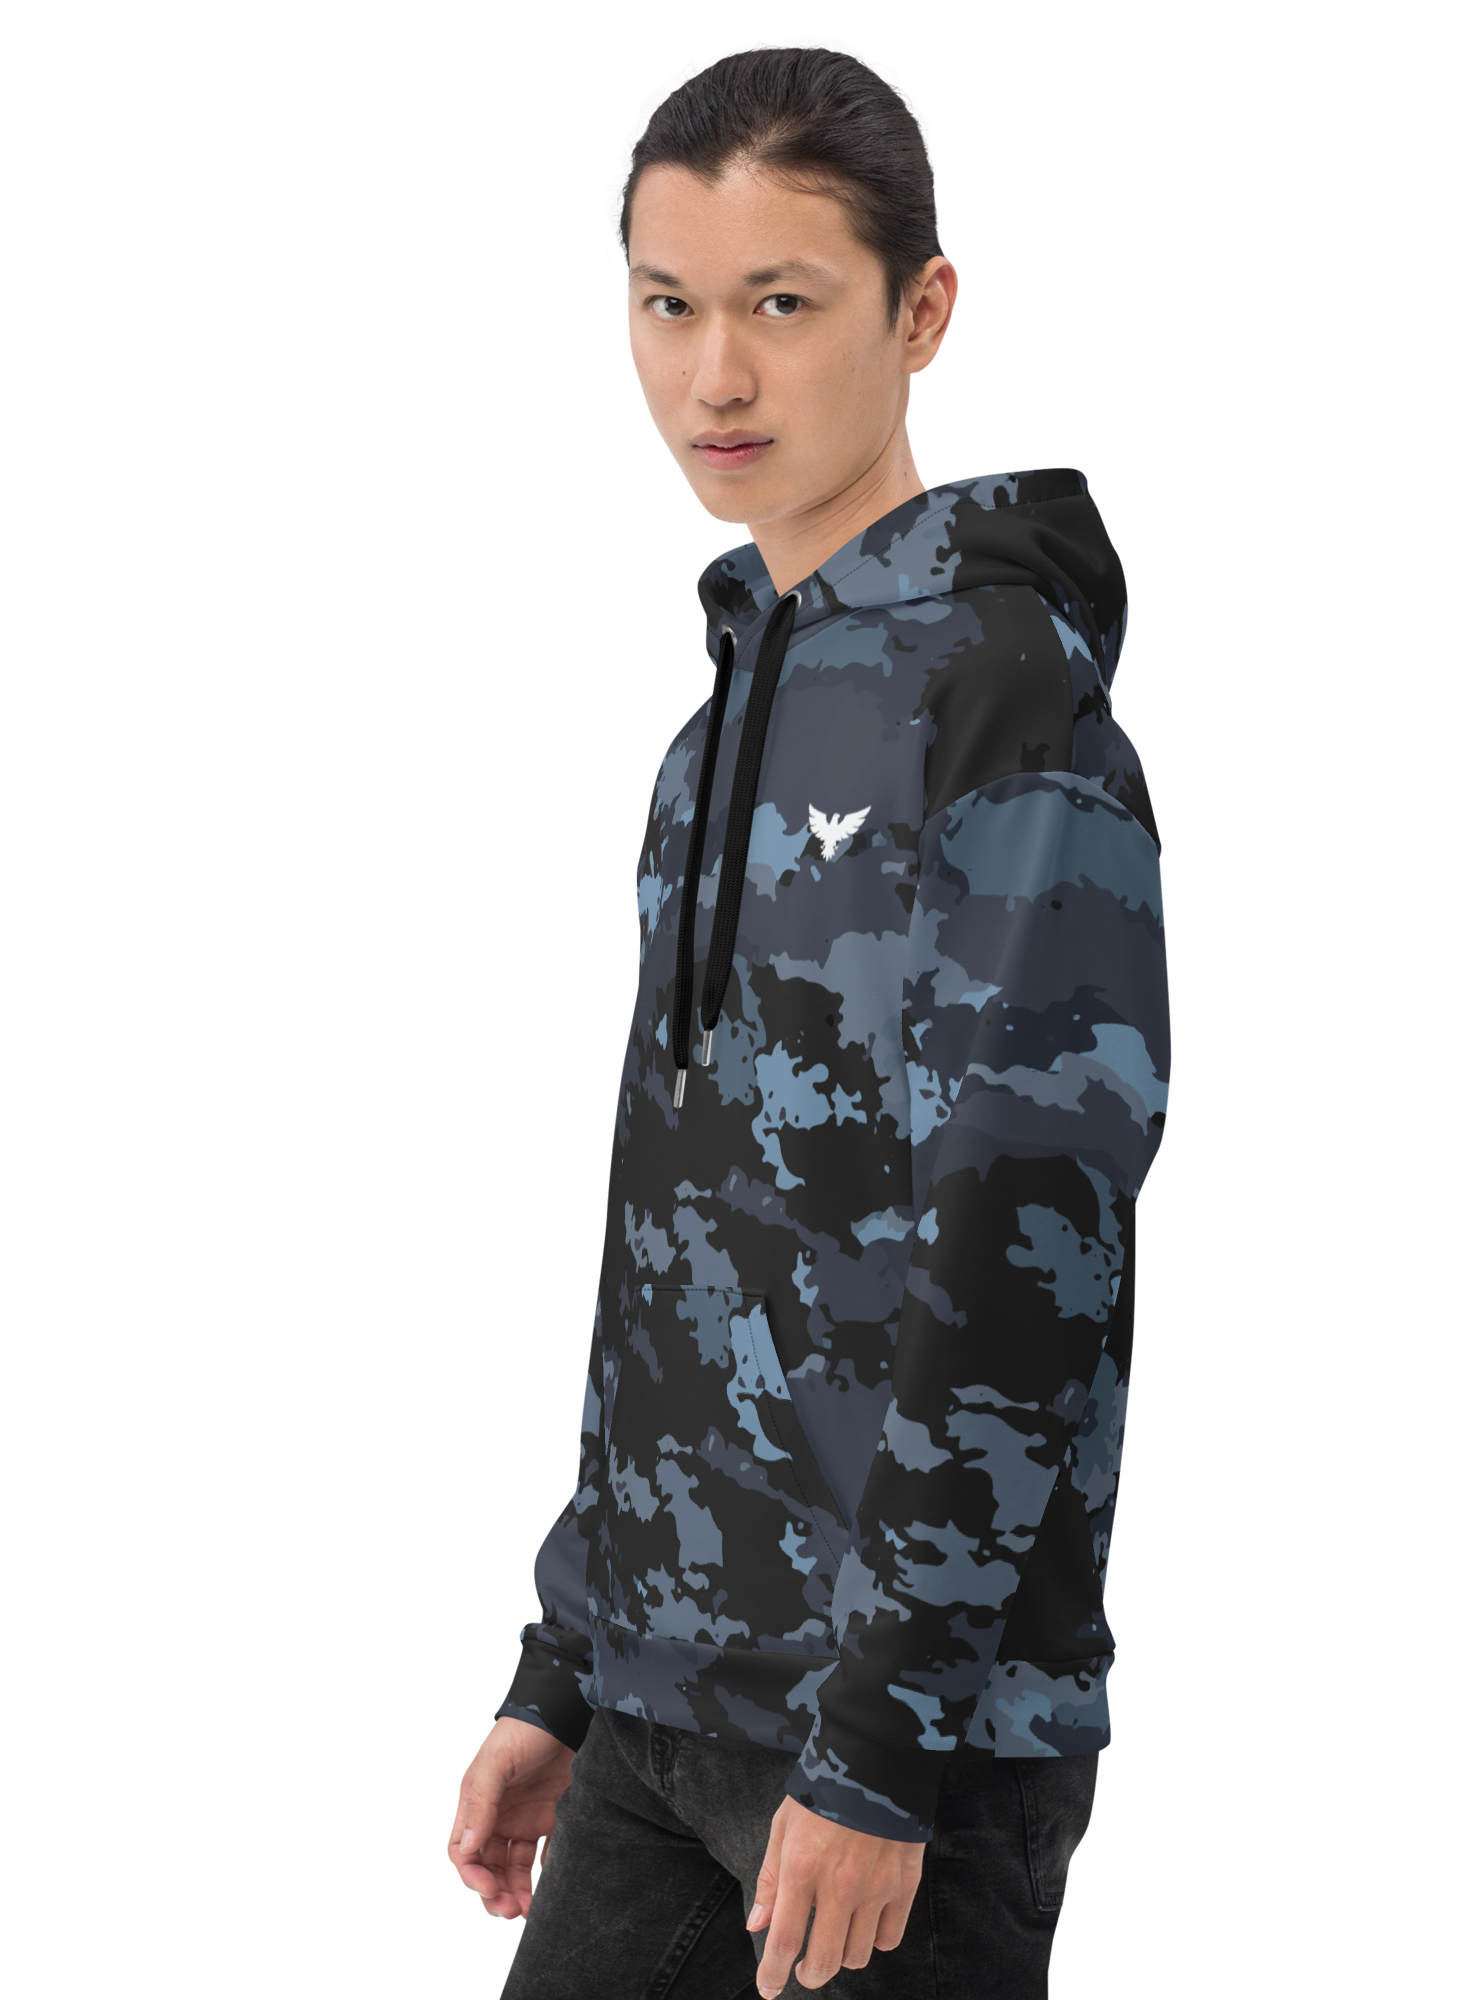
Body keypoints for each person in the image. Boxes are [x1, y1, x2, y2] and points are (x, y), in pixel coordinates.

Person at [447, 35, 1170, 1998]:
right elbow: (677, 1238)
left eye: (780, 304)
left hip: (899, 1746)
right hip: (659, 1698)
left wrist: (885, 1738)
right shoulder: (707, 745)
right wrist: (564, 1661)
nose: (714, 378)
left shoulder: (999, 691)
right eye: (666, 304)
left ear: (919, 312)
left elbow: (1031, 1225)